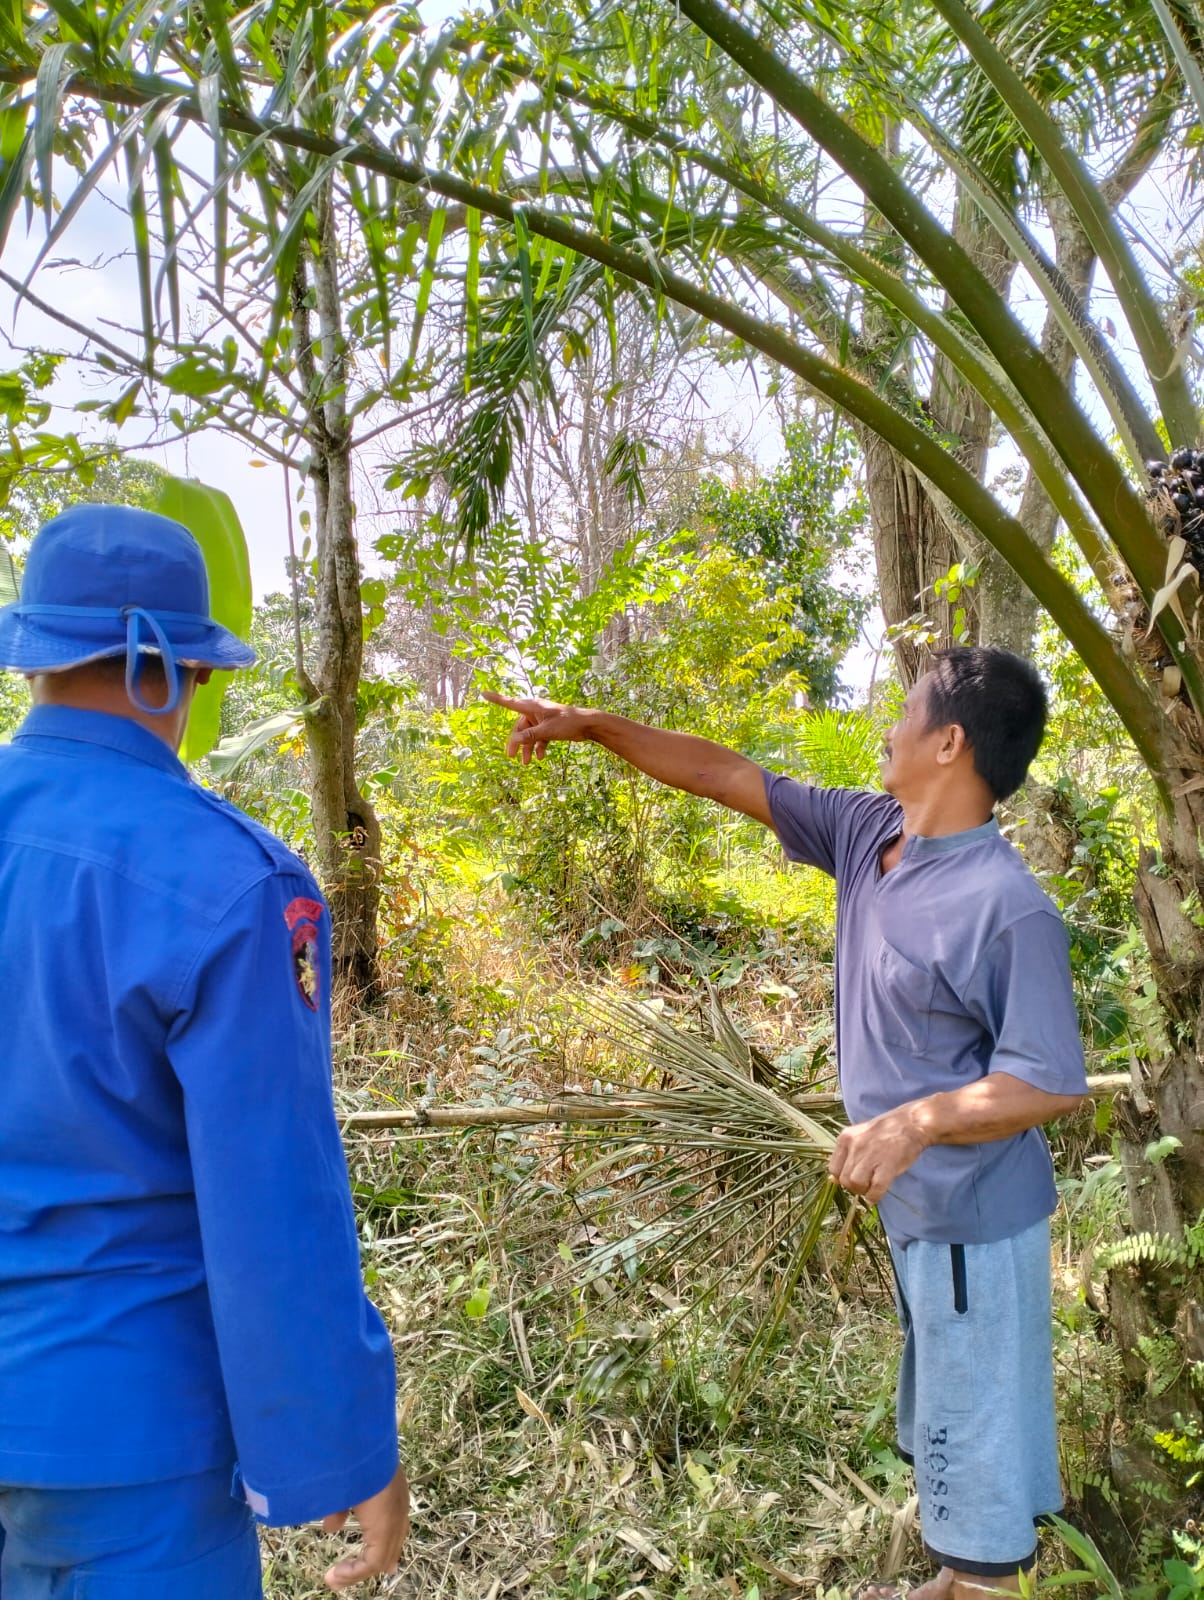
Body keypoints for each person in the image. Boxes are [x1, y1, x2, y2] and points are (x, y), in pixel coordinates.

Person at [485, 645, 1087, 1600]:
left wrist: (916, 1122)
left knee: (975, 1440)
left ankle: (978, 1584)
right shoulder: (867, 832)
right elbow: (727, 773)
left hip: (973, 1224)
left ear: (950, 742)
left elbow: (1049, 1082)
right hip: (917, 1216)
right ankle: (958, 1575)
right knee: (948, 1421)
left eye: (905, 709)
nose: (886, 724)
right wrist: (593, 726)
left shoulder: (1006, 908)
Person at [0, 504, 408, 1599]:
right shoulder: (228, 883)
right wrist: (344, 1445)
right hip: (123, 1442)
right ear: (161, 669)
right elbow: (272, 1203)